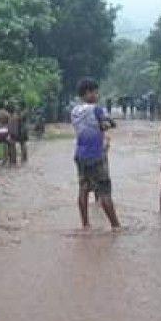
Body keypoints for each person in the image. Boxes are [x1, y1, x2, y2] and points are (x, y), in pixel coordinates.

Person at [72, 78, 121, 230]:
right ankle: (116, 226)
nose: (97, 95)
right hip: (96, 155)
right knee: (105, 190)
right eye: (94, 91)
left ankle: (85, 224)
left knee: (83, 188)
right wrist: (108, 125)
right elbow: (108, 124)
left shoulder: (74, 111)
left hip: (80, 155)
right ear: (87, 93)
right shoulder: (96, 109)